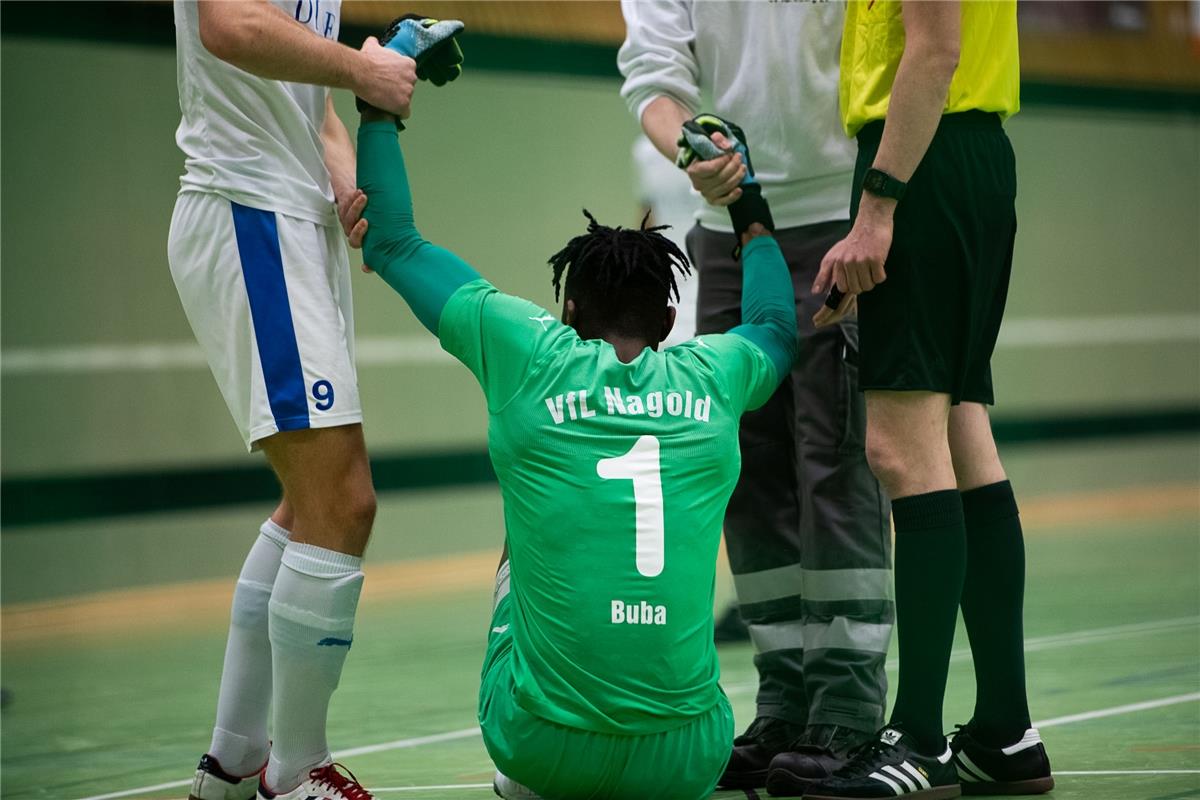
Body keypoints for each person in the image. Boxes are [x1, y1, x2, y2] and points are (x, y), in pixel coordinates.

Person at [356, 98, 793, 798]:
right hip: (687, 760)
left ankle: (532, 778)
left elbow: (393, 242)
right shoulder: (715, 374)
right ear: (671, 319)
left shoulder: (529, 350)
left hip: (538, 747)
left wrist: (377, 109)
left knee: (522, 526)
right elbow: (773, 323)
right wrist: (749, 206)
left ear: (567, 312)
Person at [168, 6, 459, 800]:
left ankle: (231, 764)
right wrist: (363, 68)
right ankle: (296, 773)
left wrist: (340, 172)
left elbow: (311, 103)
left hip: (294, 215)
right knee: (343, 502)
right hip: (249, 210)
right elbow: (228, 26)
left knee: (308, 508)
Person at [619, 1, 894, 791]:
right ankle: (786, 700)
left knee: (835, 466)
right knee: (753, 473)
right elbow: (654, 79)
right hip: (730, 225)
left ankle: (846, 707)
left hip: (841, 212)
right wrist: (691, 150)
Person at [803, 1, 1054, 798]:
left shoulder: (903, 174)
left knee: (901, 448)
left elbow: (936, 50)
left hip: (921, 161)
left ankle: (915, 738)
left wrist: (878, 206)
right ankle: (1004, 734)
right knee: (960, 427)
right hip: (956, 157)